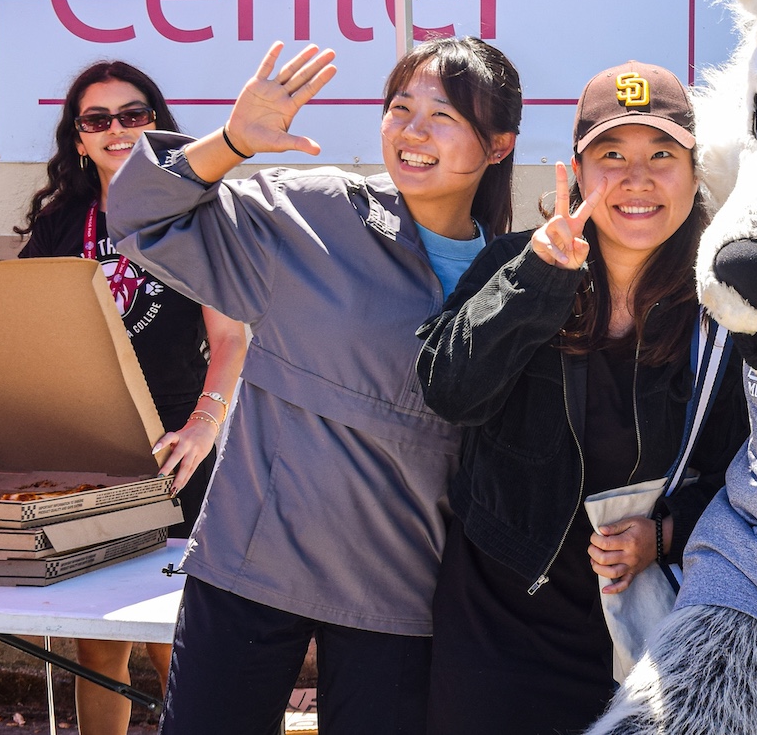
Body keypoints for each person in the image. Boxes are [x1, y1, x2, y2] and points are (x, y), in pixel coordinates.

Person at [104, 37, 520, 735]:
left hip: (397, 588)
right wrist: (232, 141)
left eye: (443, 115)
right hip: (249, 568)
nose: (412, 132)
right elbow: (142, 219)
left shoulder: (508, 280)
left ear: (499, 144)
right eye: (399, 108)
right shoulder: (316, 211)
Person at [415, 61, 748, 735]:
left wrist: (664, 533)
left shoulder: (719, 311)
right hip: (497, 625)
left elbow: (745, 472)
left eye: (662, 155)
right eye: (612, 156)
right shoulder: (517, 261)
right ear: (576, 170)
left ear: (692, 172)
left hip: (643, 636)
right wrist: (539, 279)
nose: (637, 180)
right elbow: (448, 390)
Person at [12, 61, 249, 735]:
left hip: (177, 448)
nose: (117, 129)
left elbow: (230, 336)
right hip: (90, 450)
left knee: (177, 634)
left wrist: (205, 426)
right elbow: (21, 333)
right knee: (100, 638)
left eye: (133, 113)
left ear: (157, 122)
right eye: (97, 119)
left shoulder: (193, 211)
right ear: (78, 138)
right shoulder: (60, 224)